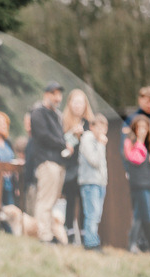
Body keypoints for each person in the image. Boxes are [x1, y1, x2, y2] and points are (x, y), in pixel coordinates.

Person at [25, 81, 68, 245]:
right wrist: (64, 144)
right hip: (46, 162)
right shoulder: (38, 113)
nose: (57, 98)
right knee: (45, 200)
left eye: (59, 94)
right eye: (54, 94)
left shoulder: (56, 115)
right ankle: (43, 235)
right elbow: (44, 136)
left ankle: (49, 233)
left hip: (58, 162)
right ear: (46, 94)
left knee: (53, 201)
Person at [122, 86, 150, 251]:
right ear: (140, 100)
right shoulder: (131, 120)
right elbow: (127, 152)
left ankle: (143, 244)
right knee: (142, 210)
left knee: (149, 210)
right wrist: (129, 171)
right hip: (138, 176)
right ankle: (147, 245)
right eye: (147, 100)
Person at [61, 88, 94, 242]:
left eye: (80, 102)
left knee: (84, 202)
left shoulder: (90, 124)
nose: (78, 105)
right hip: (70, 169)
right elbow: (61, 145)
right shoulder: (63, 122)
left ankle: (85, 235)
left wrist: (84, 134)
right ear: (70, 104)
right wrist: (72, 135)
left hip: (86, 170)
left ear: (85, 105)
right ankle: (69, 234)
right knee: (70, 200)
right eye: (75, 102)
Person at [78, 114, 108, 251]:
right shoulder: (87, 139)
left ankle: (93, 240)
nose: (102, 130)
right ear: (91, 127)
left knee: (97, 214)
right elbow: (94, 161)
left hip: (100, 182)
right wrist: (101, 144)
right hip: (90, 182)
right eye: (99, 127)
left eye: (104, 127)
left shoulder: (99, 141)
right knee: (92, 213)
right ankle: (91, 243)